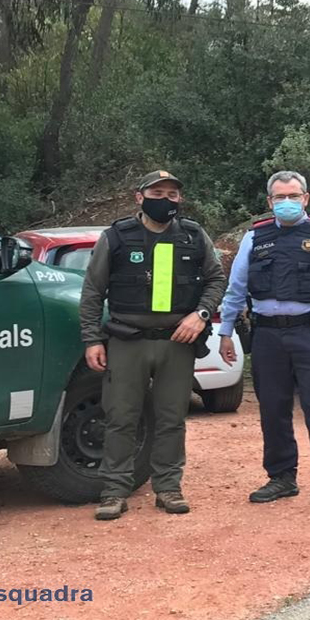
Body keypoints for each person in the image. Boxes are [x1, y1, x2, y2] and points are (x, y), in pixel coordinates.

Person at [218, 171, 310, 512]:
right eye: (279, 197)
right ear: (269, 201)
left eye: (293, 196)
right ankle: (281, 478)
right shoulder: (254, 238)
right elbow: (236, 288)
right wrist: (226, 331)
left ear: (305, 198)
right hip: (267, 335)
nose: (286, 202)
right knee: (273, 409)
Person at [80, 170, 227, 521]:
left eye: (173, 194)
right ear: (139, 197)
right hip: (126, 341)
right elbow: (92, 291)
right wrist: (91, 339)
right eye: (157, 192)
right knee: (120, 418)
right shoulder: (116, 237)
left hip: (177, 342)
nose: (166, 199)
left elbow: (215, 279)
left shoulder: (193, 235)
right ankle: (114, 491)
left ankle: (168, 488)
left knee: (171, 419)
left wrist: (201, 315)